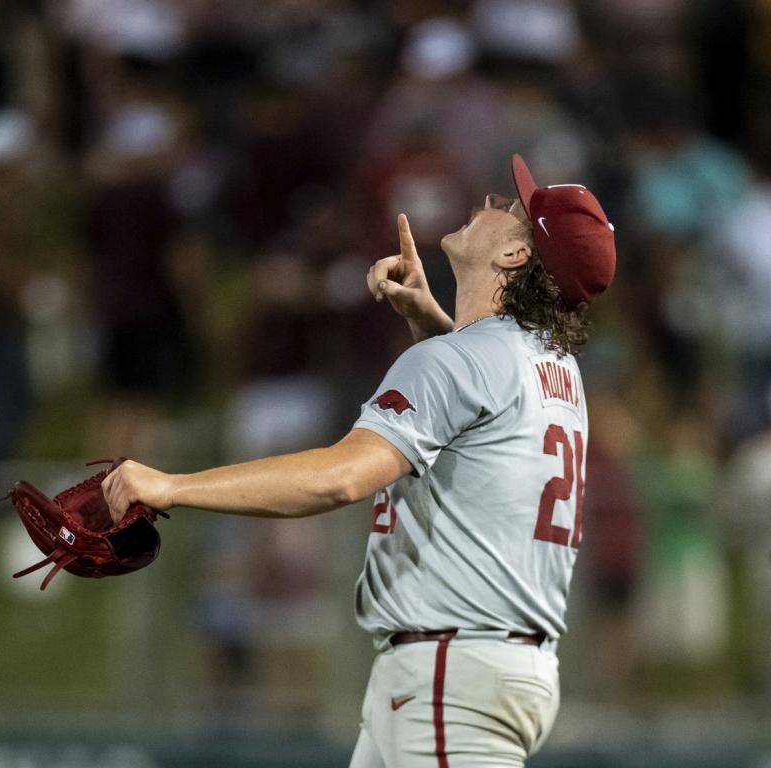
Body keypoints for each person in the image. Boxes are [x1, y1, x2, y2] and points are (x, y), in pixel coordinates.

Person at [102, 154, 616, 767]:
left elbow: (341, 478)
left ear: (515, 258)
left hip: (451, 670)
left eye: (515, 212)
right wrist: (432, 325)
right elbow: (478, 423)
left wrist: (172, 485)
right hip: (486, 666)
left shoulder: (461, 363)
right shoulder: (556, 371)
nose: (495, 200)